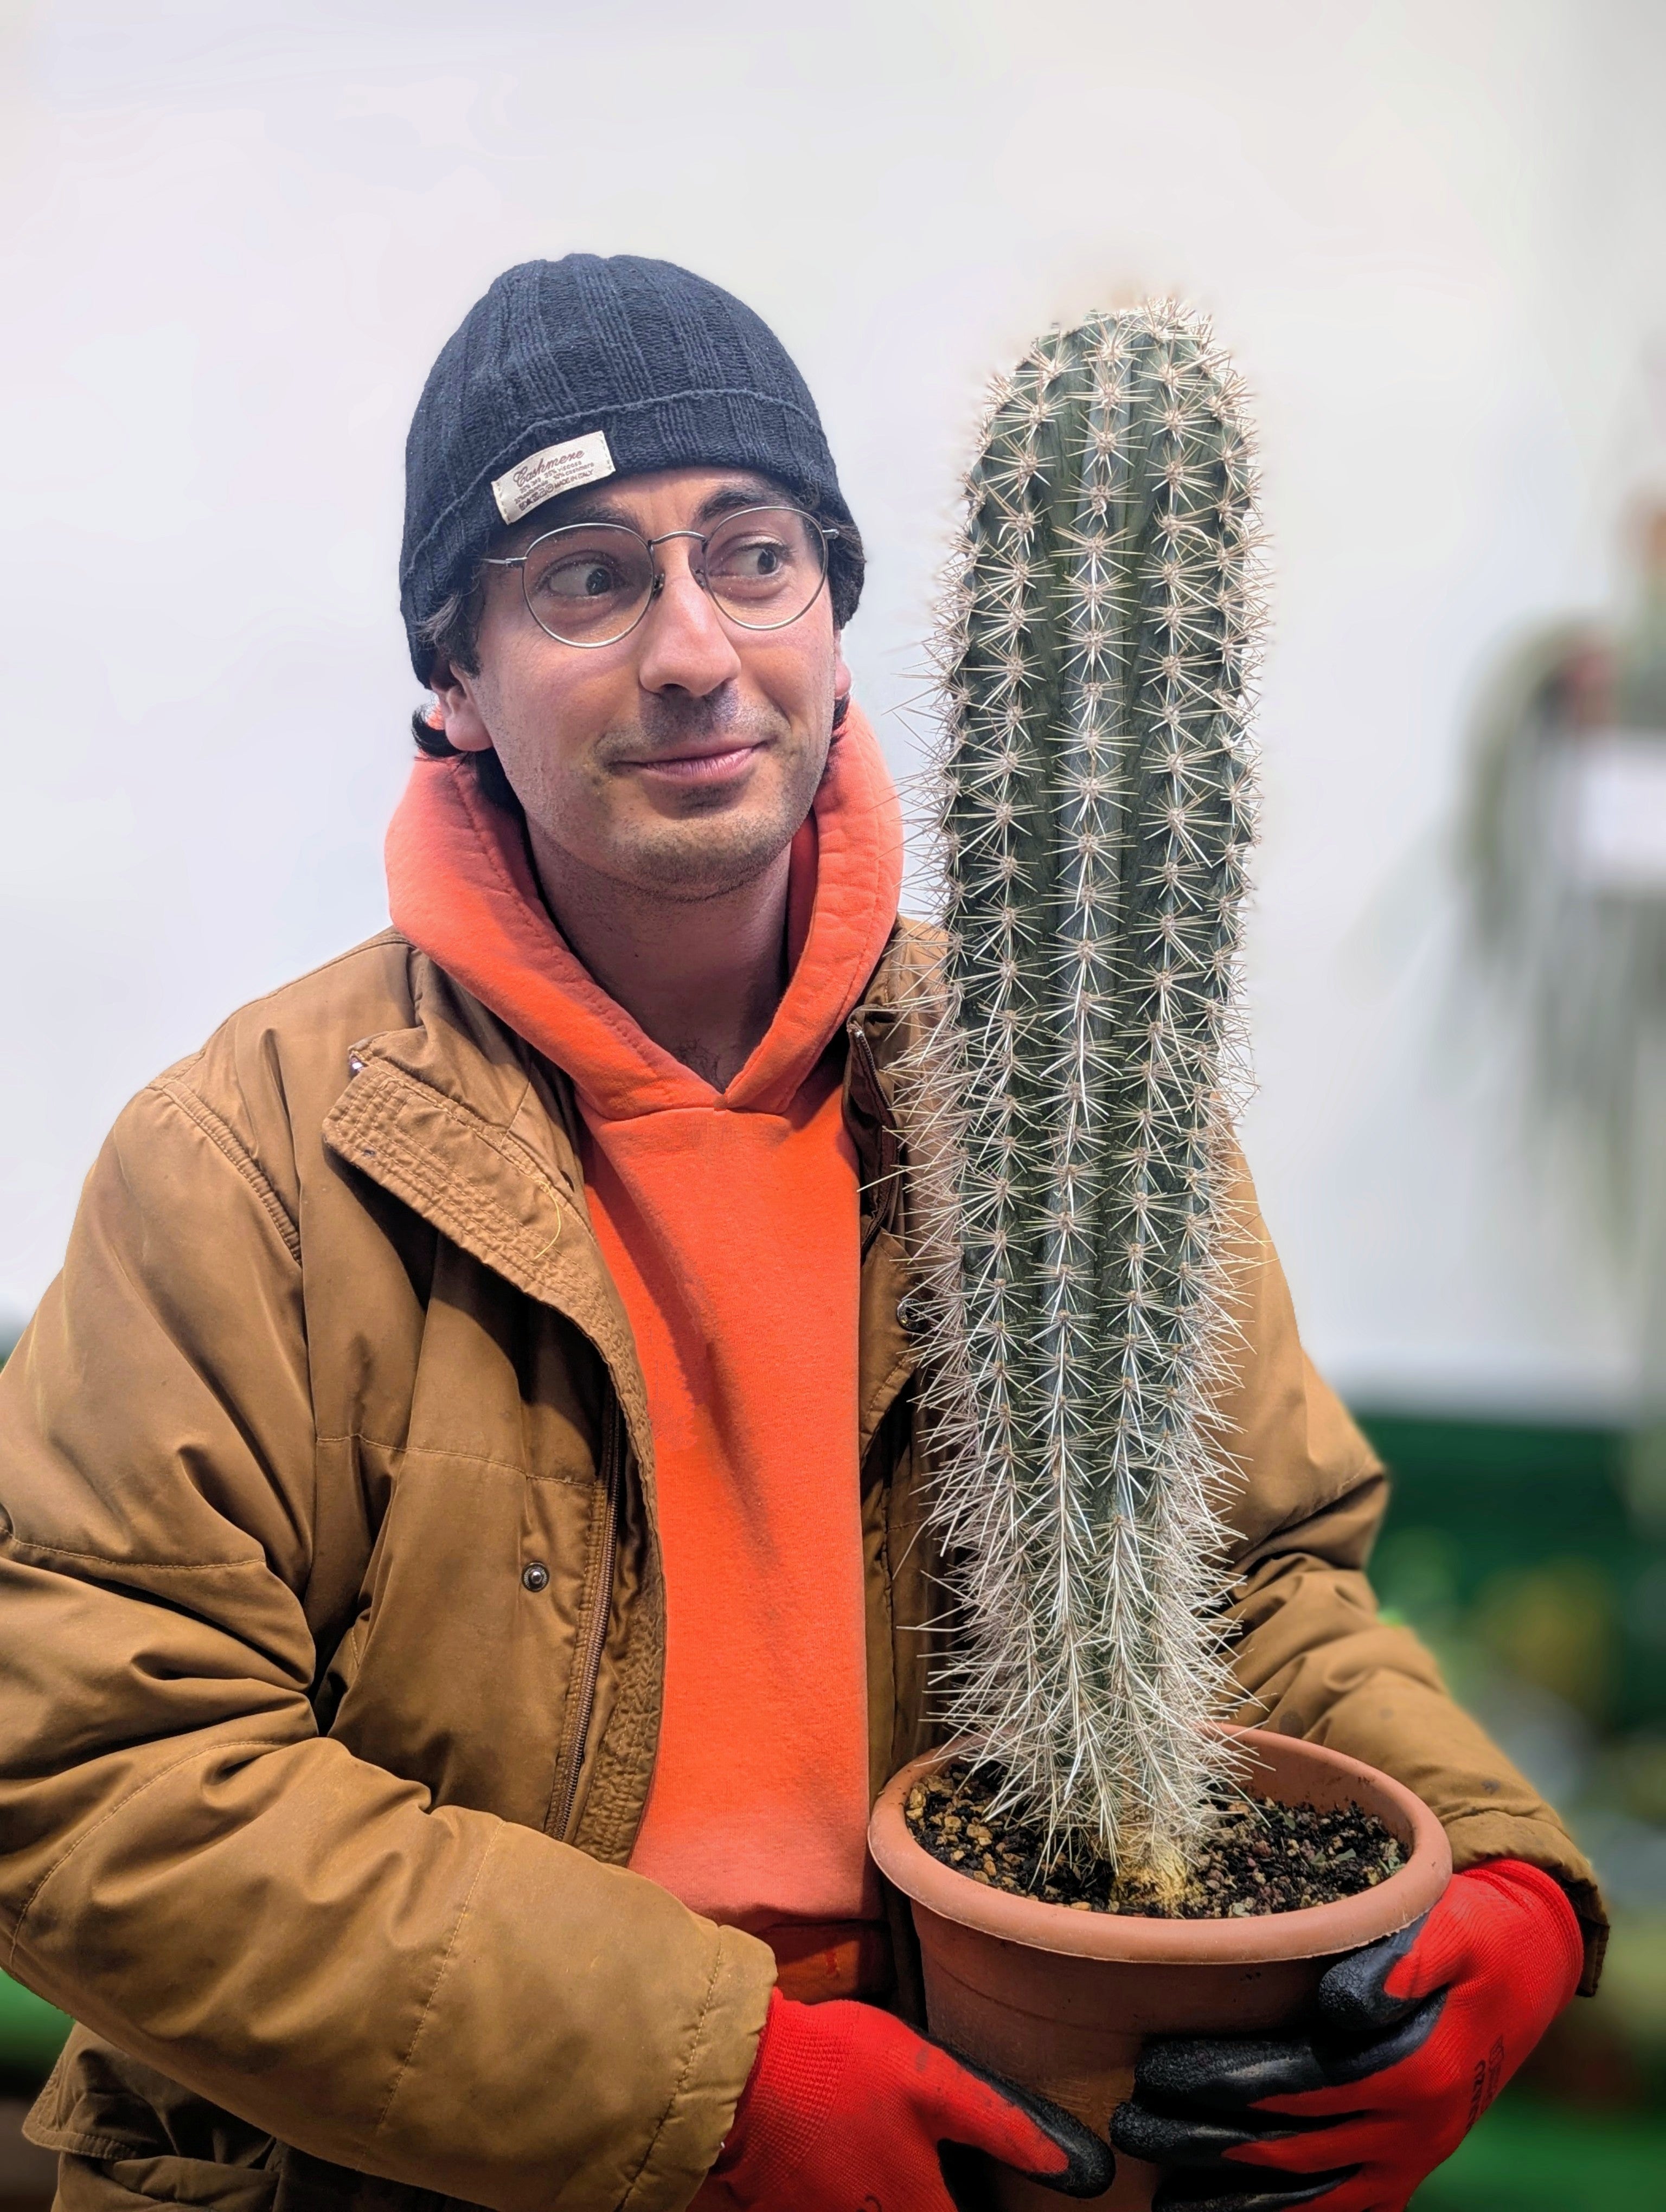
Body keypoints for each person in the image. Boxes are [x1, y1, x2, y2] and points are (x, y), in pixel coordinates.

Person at [0, 256, 1602, 2212]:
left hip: (988, 2133)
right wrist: (712, 2082)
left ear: (834, 615)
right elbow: (88, 1768)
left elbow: (1249, 1581)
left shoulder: (1077, 1094)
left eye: (752, 556)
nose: (693, 648)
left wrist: (1504, 1871)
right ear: (453, 679)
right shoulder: (247, 1161)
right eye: (585, 579)